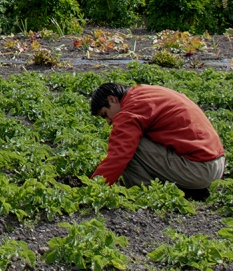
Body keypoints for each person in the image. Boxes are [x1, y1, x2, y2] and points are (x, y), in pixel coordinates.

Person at [89, 82, 225, 200]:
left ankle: (145, 194)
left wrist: (93, 187)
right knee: (136, 139)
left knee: (132, 146)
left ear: (112, 99)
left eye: (105, 114)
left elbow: (118, 155)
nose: (108, 122)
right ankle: (189, 189)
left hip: (201, 170)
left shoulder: (130, 110)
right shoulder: (144, 92)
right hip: (216, 164)